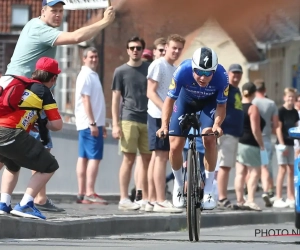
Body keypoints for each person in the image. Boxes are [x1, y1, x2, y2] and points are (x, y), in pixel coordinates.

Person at [0, 0, 115, 211]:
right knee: (39, 150)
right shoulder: (39, 28)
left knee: (8, 154)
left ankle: (15, 201)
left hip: (16, 93)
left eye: (61, 11)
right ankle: (30, 201)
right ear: (43, 11)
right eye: (54, 10)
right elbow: (77, 37)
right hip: (22, 95)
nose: (58, 15)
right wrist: (105, 21)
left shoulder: (35, 26)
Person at [157, 47, 229, 210]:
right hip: (185, 102)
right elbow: (169, 100)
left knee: (209, 139)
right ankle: (179, 184)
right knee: (175, 145)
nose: (203, 77)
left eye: (208, 73)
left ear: (214, 71)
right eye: (198, 72)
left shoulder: (222, 76)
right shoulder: (183, 70)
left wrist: (217, 125)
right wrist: (164, 125)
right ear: (193, 67)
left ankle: (209, 189)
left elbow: (221, 105)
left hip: (208, 104)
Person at [0, 57, 63, 219]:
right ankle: (26, 204)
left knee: (12, 164)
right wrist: (44, 121)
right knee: (50, 165)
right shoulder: (43, 91)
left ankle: (3, 203)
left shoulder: (23, 85)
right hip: (12, 133)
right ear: (53, 78)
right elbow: (57, 125)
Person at [145, 34, 185, 213]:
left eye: (179, 49)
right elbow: (151, 92)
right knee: (161, 157)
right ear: (166, 47)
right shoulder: (158, 64)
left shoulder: (174, 68)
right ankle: (160, 200)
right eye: (173, 47)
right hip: (157, 116)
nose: (176, 51)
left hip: (165, 117)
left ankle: (152, 200)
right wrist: (165, 112)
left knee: (157, 158)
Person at [111, 36, 151, 211]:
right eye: (132, 47)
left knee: (147, 159)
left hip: (148, 118)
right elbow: (115, 99)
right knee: (129, 159)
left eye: (138, 48)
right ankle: (123, 198)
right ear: (127, 50)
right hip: (128, 118)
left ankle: (141, 196)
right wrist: (115, 123)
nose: (135, 50)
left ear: (143, 50)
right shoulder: (120, 71)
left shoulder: (149, 69)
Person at [75, 47, 107, 204]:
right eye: (91, 57)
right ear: (84, 58)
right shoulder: (86, 75)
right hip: (89, 123)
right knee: (94, 157)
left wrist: (101, 123)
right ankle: (89, 191)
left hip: (90, 123)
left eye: (96, 56)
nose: (94, 59)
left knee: (84, 157)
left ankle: (82, 193)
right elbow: (86, 99)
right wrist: (93, 123)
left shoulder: (90, 75)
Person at [235, 82, 266, 211]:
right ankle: (251, 200)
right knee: (255, 172)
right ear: (254, 93)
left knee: (240, 173)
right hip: (250, 143)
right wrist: (261, 144)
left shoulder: (237, 107)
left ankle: (240, 200)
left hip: (239, 141)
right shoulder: (252, 108)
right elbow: (255, 130)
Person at [216, 64, 244, 209]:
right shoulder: (226, 89)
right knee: (224, 166)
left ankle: (218, 195)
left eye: (239, 74)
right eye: (234, 73)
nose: (236, 76)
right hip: (225, 132)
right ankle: (222, 197)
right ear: (228, 73)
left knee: (225, 166)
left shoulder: (236, 90)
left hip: (234, 133)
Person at [252, 79, 279, 207]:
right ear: (265, 90)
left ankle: (248, 191)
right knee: (266, 166)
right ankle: (269, 191)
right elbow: (276, 124)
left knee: (250, 166)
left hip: (251, 139)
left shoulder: (252, 102)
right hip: (266, 139)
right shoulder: (271, 103)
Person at [273, 88, 299, 208]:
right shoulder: (281, 111)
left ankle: (290, 197)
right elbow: (278, 128)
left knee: (291, 171)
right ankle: (278, 197)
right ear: (284, 97)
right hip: (282, 144)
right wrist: (282, 144)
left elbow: (296, 126)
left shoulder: (294, 112)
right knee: (282, 169)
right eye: (289, 97)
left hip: (291, 142)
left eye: (292, 97)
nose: (291, 99)